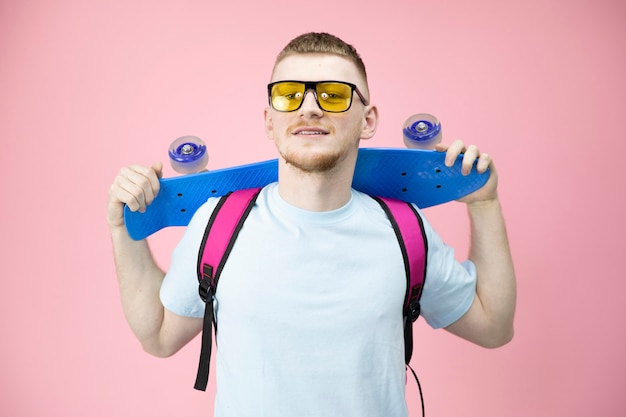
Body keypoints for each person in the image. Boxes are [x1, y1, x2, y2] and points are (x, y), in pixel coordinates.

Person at [107, 32, 516, 417]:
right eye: (288, 95)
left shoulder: (406, 229)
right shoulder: (217, 224)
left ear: (368, 120)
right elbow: (158, 335)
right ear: (269, 120)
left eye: (334, 95)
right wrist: (123, 231)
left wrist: (484, 203)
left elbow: (493, 327)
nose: (309, 106)